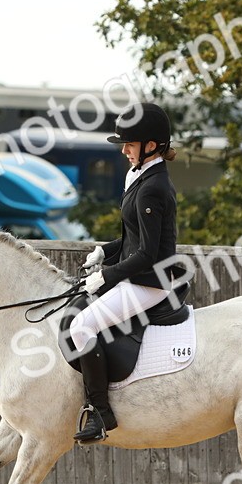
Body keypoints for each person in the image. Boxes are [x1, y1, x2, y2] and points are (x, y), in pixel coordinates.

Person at [69, 102, 184, 443]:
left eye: (130, 144)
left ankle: (101, 414)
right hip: (137, 274)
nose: (124, 150)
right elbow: (133, 238)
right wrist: (105, 250)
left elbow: (147, 254)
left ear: (152, 146)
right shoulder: (140, 176)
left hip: (150, 282)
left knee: (82, 326)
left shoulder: (153, 186)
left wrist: (106, 275)